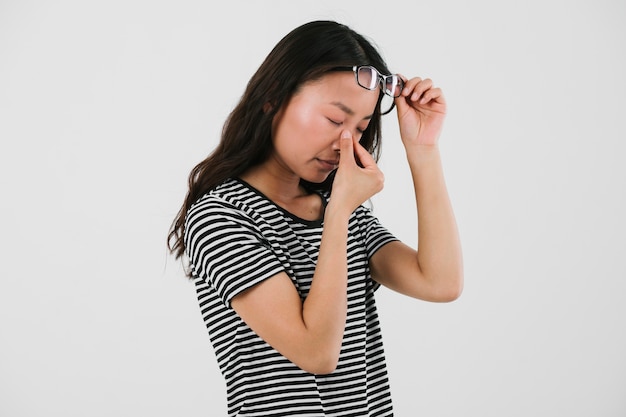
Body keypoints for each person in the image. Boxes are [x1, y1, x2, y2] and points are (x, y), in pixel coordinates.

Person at [168, 20, 463, 417]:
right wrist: (339, 211)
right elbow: (317, 352)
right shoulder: (221, 216)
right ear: (274, 98)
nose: (347, 142)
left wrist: (423, 150)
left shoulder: (338, 207)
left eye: (361, 127)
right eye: (334, 120)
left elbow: (440, 282)